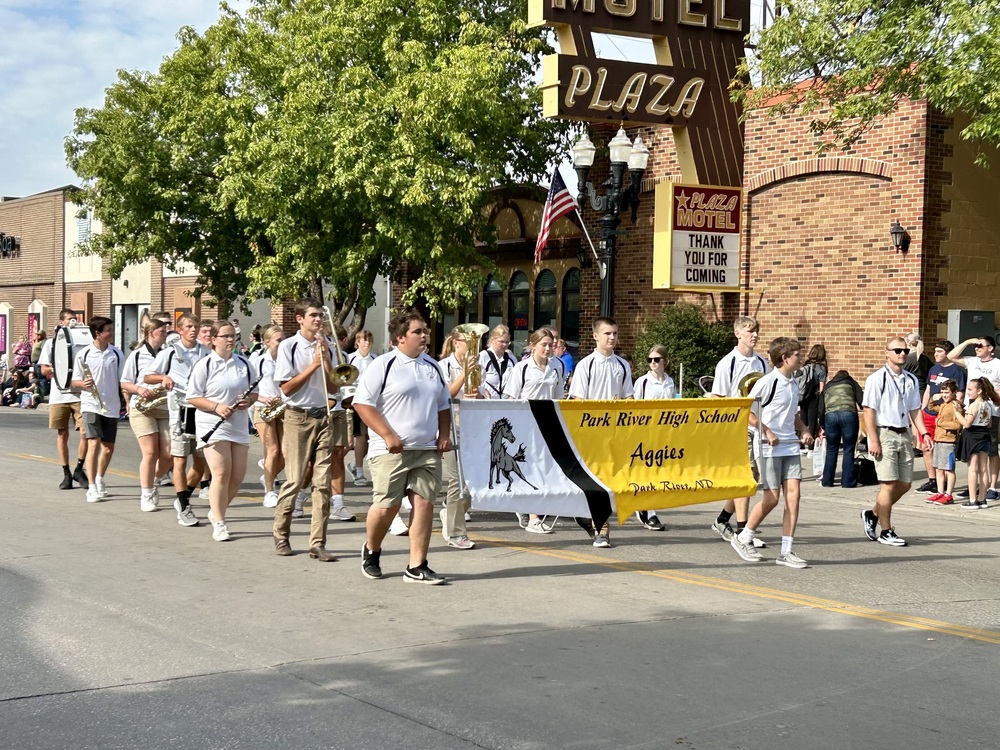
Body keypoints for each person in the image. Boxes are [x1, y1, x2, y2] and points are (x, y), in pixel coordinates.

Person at [354, 311, 452, 584]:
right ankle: (372, 550)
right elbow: (362, 404)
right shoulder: (383, 365)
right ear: (400, 338)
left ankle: (417, 565)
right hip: (390, 451)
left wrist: (443, 435)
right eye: (418, 332)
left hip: (426, 449)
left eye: (425, 331)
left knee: (424, 503)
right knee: (388, 507)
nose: (425, 336)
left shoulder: (433, 366)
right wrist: (387, 435)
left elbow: (443, 405)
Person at [731, 337, 813, 568]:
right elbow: (746, 410)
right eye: (797, 354)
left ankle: (786, 551)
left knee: (794, 497)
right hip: (768, 447)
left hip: (789, 445)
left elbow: (792, 414)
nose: (801, 358)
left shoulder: (794, 383)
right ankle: (743, 536)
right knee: (772, 498)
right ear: (785, 358)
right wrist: (766, 431)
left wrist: (804, 429)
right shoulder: (768, 382)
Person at [271, 298, 339, 561]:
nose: (318, 320)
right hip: (298, 417)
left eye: (320, 315)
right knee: (295, 479)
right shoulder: (289, 346)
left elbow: (334, 386)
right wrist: (312, 365)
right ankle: (281, 534)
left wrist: (326, 361)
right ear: (300, 319)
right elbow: (286, 388)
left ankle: (318, 543)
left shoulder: (328, 346)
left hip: (325, 414)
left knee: (323, 484)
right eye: (313, 315)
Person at [187, 321, 258, 542]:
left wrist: (248, 401)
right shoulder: (205, 365)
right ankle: (219, 522)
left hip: (237, 424)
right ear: (214, 339)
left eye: (233, 336)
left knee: (237, 476)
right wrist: (216, 407)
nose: (230, 340)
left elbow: (254, 392)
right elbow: (193, 397)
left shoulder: (244, 364)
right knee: (220, 473)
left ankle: (216, 509)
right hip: (212, 425)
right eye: (225, 336)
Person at [860, 337, 934, 547]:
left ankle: (873, 513)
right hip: (885, 433)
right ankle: (886, 530)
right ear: (887, 353)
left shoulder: (910, 379)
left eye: (904, 350)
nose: (902, 353)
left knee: (904, 484)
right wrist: (873, 439)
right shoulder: (877, 378)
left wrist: (924, 433)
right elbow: (868, 410)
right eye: (897, 350)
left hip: (904, 433)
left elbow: (914, 410)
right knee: (888, 484)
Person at [568, 316, 634, 548]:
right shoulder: (586, 365)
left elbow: (629, 398)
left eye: (615, 333)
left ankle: (598, 523)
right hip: (592, 432)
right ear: (596, 336)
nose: (612, 338)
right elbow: (577, 401)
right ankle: (600, 527)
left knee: (609, 482)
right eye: (607, 333)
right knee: (595, 482)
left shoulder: (622, 365)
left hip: (614, 433)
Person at [144, 313, 210, 527]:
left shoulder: (205, 352)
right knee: (180, 459)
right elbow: (148, 376)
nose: (193, 329)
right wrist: (164, 377)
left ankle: (184, 496)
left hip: (201, 410)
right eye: (189, 326)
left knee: (201, 463)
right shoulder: (170, 353)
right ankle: (183, 505)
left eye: (196, 326)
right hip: (179, 410)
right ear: (180, 330)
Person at [709, 316, 770, 544]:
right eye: (749, 331)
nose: (754, 335)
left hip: (758, 426)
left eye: (756, 331)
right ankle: (744, 530)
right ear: (737, 334)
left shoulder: (762, 363)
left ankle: (723, 519)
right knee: (744, 476)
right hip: (737, 427)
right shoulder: (728, 363)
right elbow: (718, 398)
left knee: (751, 478)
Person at [504, 327, 566, 535]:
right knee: (530, 468)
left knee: (543, 468)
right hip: (525, 424)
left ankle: (529, 508)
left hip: (547, 423)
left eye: (551, 345)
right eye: (543, 345)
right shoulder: (521, 368)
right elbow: (511, 399)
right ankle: (533, 517)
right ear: (533, 346)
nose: (548, 349)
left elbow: (558, 399)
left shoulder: (556, 368)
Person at [71, 316, 125, 504]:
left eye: (112, 329)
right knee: (93, 443)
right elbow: (73, 381)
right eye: (108, 330)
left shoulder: (116, 354)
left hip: (111, 406)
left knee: (108, 447)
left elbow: (123, 381)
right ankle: (92, 486)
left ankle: (100, 478)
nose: (111, 333)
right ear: (98, 333)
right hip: (90, 404)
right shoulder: (83, 354)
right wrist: (82, 383)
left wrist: (127, 401)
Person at [120, 318, 171, 512]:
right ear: (151, 333)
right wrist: (139, 389)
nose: (165, 334)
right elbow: (125, 382)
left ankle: (155, 478)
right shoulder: (137, 355)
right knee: (150, 452)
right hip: (142, 407)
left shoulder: (169, 354)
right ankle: (147, 492)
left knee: (170, 452)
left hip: (164, 406)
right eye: (162, 331)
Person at [437, 327, 480, 546]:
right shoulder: (443, 366)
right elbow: (444, 396)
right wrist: (464, 374)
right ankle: (456, 533)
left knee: (474, 483)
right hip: (452, 426)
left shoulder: (479, 365)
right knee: (457, 480)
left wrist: (478, 394)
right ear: (456, 343)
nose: (472, 346)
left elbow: (486, 395)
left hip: (474, 426)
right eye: (467, 341)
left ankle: (451, 514)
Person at [38, 309, 89, 489]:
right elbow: (44, 370)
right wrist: (59, 366)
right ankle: (66, 472)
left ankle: (80, 468)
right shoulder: (52, 343)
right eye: (69, 320)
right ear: (61, 322)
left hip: (79, 394)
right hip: (59, 394)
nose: (72, 322)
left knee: (86, 432)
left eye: (75, 319)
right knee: (62, 433)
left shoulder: (83, 342)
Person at [947, 336, 1000, 500]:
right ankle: (974, 486)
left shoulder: (997, 364)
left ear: (990, 348)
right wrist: (967, 342)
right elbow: (951, 357)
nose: (977, 348)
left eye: (980, 346)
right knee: (974, 451)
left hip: (989, 411)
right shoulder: (972, 361)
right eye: (975, 346)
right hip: (971, 409)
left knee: (990, 450)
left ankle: (992, 487)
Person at [631, 344, 676, 530]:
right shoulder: (643, 382)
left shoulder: (670, 381)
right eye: (650, 360)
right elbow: (636, 407)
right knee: (647, 471)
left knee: (658, 472)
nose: (653, 363)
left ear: (665, 361)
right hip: (646, 431)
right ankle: (648, 511)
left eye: (657, 360)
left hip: (663, 432)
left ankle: (646, 506)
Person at [917, 340, 966, 494]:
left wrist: (954, 411)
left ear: (948, 353)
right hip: (929, 414)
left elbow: (960, 393)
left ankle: (943, 482)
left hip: (944, 416)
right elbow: (928, 390)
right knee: (926, 447)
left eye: (939, 352)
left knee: (942, 450)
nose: (936, 354)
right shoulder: (933, 369)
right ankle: (932, 480)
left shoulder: (956, 371)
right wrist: (923, 408)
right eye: (935, 351)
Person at [251, 325, 286, 509]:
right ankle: (269, 491)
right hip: (263, 408)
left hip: (282, 407)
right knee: (272, 450)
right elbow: (248, 388)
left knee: (286, 452)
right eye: (278, 340)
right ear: (267, 342)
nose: (282, 343)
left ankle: (268, 475)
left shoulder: (287, 360)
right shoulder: (258, 361)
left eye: (283, 340)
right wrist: (264, 398)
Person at [955, 377, 1000, 510]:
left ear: (979, 391)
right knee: (983, 469)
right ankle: (982, 499)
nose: (968, 392)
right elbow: (990, 423)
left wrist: (957, 413)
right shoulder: (987, 404)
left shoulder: (974, 405)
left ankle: (973, 500)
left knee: (973, 469)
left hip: (973, 436)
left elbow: (967, 423)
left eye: (970, 389)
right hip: (984, 435)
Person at [817, 369, 864, 488]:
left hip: (830, 417)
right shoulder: (851, 382)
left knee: (831, 449)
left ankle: (827, 481)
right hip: (848, 415)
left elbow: (821, 409)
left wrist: (822, 425)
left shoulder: (827, 386)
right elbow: (862, 401)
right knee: (848, 448)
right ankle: (848, 482)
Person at [925, 379, 961, 505]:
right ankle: (940, 492)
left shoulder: (956, 406)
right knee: (939, 469)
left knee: (948, 469)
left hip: (948, 441)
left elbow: (957, 424)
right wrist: (933, 398)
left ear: (954, 393)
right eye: (942, 392)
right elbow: (931, 407)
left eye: (947, 392)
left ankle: (949, 494)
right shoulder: (944, 404)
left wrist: (940, 423)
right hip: (939, 440)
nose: (944, 395)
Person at [347, 330, 376, 486]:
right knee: (360, 437)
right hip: (355, 402)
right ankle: (359, 471)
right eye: (364, 340)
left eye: (369, 339)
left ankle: (354, 465)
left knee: (370, 438)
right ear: (357, 342)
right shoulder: (350, 358)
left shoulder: (376, 359)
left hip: (372, 402)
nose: (367, 343)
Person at [478, 325, 518, 399]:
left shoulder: (512, 359)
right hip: (487, 401)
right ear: (493, 340)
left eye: (507, 342)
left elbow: (516, 382)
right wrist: (483, 391)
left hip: (506, 403)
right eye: (501, 341)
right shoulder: (483, 356)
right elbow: (476, 381)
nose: (505, 345)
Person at [31, 330, 48, 399]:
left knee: (41, 378)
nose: (37, 336)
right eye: (37, 335)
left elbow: (44, 352)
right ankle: (39, 392)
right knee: (37, 378)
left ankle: (44, 392)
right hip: (35, 363)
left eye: (39, 335)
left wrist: (42, 362)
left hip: (39, 362)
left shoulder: (43, 342)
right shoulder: (38, 342)